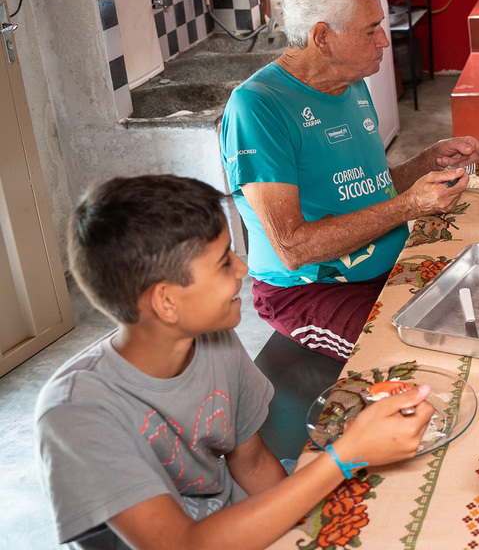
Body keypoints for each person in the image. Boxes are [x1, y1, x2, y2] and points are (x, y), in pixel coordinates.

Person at [35, 175, 435, 550]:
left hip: (236, 513)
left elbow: (254, 461)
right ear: (166, 301)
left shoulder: (211, 338)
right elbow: (183, 544)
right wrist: (346, 456)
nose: (243, 268)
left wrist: (307, 533)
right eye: (225, 261)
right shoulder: (76, 411)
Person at [220, 0, 479, 359]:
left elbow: (369, 190)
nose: (384, 40)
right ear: (323, 37)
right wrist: (410, 206)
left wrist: (428, 163)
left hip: (387, 264)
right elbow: (293, 247)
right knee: (421, 357)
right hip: (313, 291)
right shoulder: (258, 107)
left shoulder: (351, 82)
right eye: (371, 30)